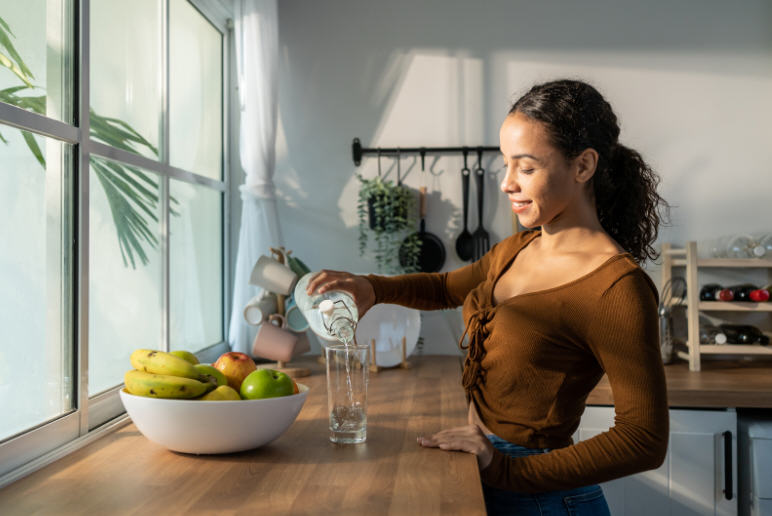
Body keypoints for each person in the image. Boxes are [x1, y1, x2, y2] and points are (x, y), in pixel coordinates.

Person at [306, 79, 670, 516]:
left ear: (583, 166)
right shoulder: (518, 248)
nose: (507, 184)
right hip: (488, 475)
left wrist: (506, 470)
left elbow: (643, 440)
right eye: (506, 165)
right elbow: (446, 289)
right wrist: (373, 288)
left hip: (543, 497)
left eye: (527, 168)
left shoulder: (617, 288)